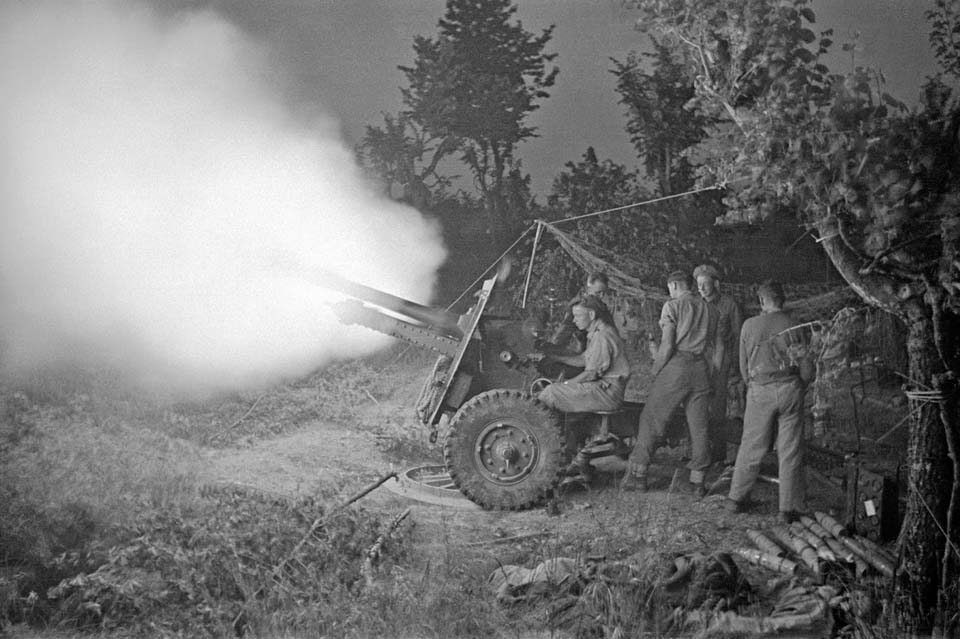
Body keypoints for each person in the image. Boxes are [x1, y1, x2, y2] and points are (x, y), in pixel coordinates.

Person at [622, 270, 720, 497]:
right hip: (701, 368)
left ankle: (637, 476)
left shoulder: (672, 306)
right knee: (699, 427)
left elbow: (667, 346)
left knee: (651, 417)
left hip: (678, 367)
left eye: (669, 288)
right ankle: (697, 483)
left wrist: (656, 371)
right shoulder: (710, 309)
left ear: (674, 285)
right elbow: (713, 346)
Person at [724, 280, 814, 524]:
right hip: (790, 388)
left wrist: (752, 385)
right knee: (790, 449)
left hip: (760, 389)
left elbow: (743, 366)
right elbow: (806, 363)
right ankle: (787, 508)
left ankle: (736, 499)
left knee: (752, 444)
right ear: (782, 300)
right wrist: (802, 383)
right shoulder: (794, 323)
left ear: (762, 301)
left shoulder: (749, 325)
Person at [537, 295, 631, 469]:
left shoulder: (603, 335)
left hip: (607, 392)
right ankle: (565, 448)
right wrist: (556, 357)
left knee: (551, 393)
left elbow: (591, 373)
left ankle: (544, 451)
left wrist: (566, 385)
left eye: (578, 316)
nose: (574, 320)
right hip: (605, 388)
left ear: (592, 315)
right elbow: (583, 359)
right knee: (555, 390)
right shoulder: (598, 332)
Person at [693, 264, 743, 462]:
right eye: (699, 284)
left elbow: (739, 336)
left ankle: (718, 454)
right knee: (697, 407)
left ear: (715, 283)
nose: (702, 289)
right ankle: (698, 452)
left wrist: (736, 367)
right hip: (698, 361)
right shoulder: (695, 304)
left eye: (705, 284)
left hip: (721, 362)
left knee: (718, 409)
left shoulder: (729, 305)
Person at [546, 271, 613, 356]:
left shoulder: (601, 306)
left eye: (604, 292)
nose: (602, 296)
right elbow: (566, 327)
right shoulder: (579, 305)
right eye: (598, 292)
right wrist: (554, 349)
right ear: (589, 289)